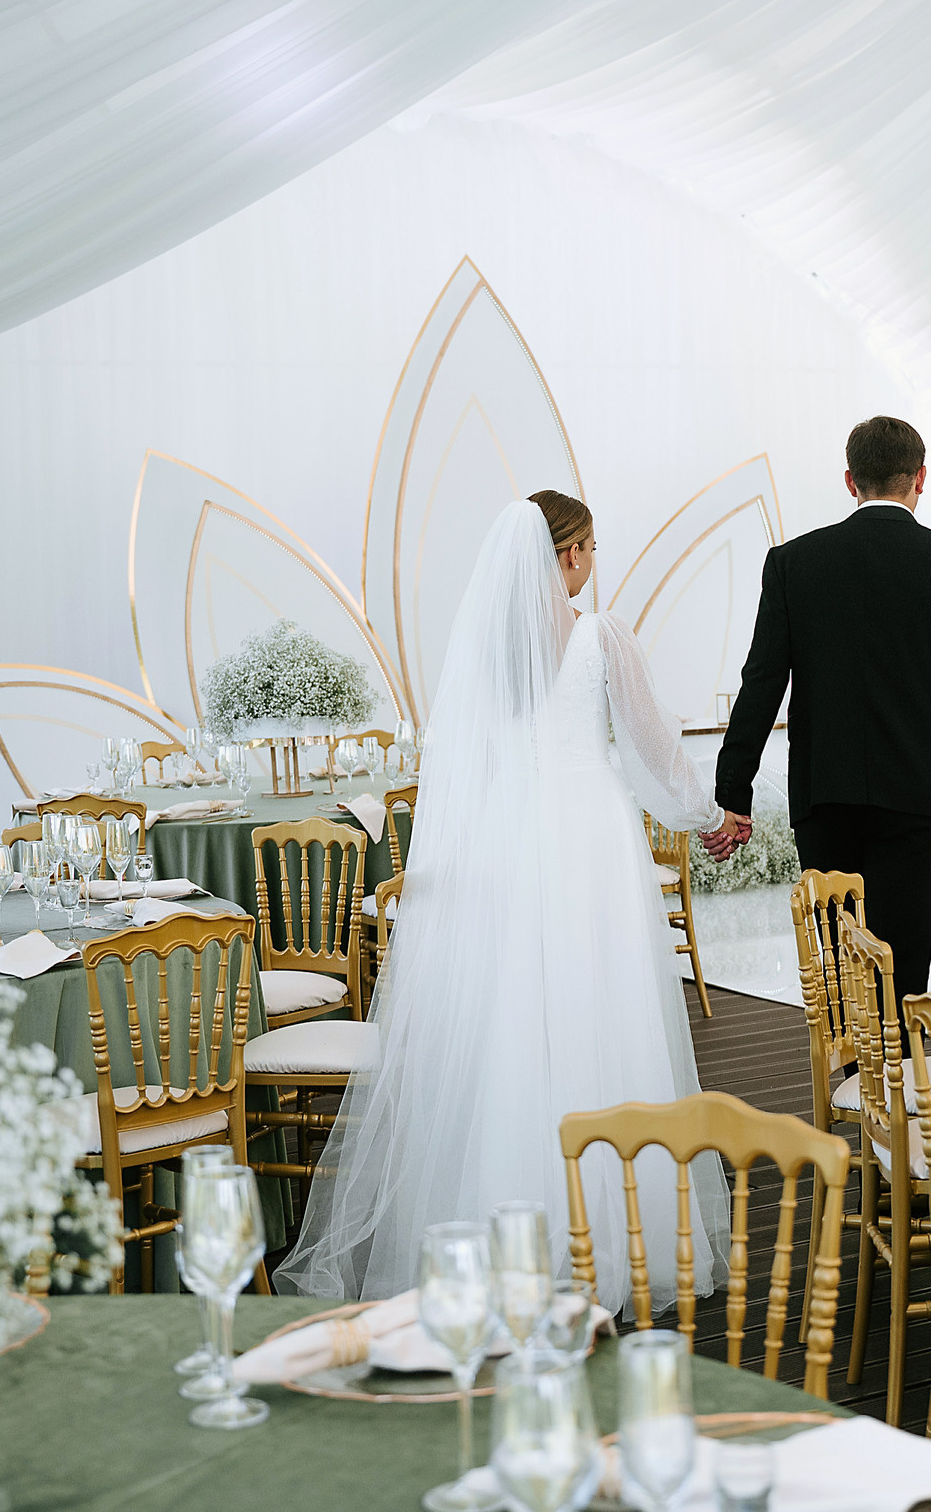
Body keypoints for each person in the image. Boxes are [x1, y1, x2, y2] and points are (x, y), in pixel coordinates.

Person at [277, 492, 728, 1311]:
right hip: (590, 845)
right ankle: (611, 1231)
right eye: (588, 547)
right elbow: (654, 747)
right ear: (571, 554)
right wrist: (706, 818)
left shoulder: (487, 651)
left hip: (513, 850)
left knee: (515, 1026)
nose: (593, 562)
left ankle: (507, 1229)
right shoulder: (600, 635)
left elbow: (468, 768)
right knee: (602, 1013)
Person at [709, 416, 931, 1010]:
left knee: (841, 969)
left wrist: (733, 791)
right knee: (903, 972)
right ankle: (896, 1094)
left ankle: (849, 1087)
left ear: (850, 481)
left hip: (826, 800)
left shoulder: (794, 564)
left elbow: (760, 684)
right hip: (918, 801)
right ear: (921, 478)